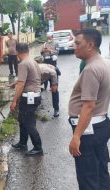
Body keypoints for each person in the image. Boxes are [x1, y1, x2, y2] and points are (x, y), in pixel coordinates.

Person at [68, 29, 110, 190]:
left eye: (78, 43)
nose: (74, 47)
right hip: (100, 125)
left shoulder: (91, 70)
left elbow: (89, 105)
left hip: (89, 131)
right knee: (100, 172)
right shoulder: (104, 63)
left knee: (88, 178)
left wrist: (76, 136)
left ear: (90, 45)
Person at [10, 43, 43, 156]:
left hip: (29, 97)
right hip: (35, 95)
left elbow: (21, 84)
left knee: (29, 123)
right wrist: (16, 82)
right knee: (22, 120)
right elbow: (33, 77)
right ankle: (23, 143)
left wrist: (14, 101)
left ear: (17, 52)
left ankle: (38, 147)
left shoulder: (23, 64)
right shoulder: (32, 61)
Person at [41, 33, 60, 117]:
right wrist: (43, 51)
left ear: (52, 37)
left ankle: (56, 109)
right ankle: (45, 86)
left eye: (49, 37)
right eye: (47, 37)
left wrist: (50, 50)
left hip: (53, 65)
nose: (48, 38)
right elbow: (41, 52)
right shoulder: (44, 43)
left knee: (54, 89)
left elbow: (57, 51)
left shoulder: (55, 43)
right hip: (46, 63)